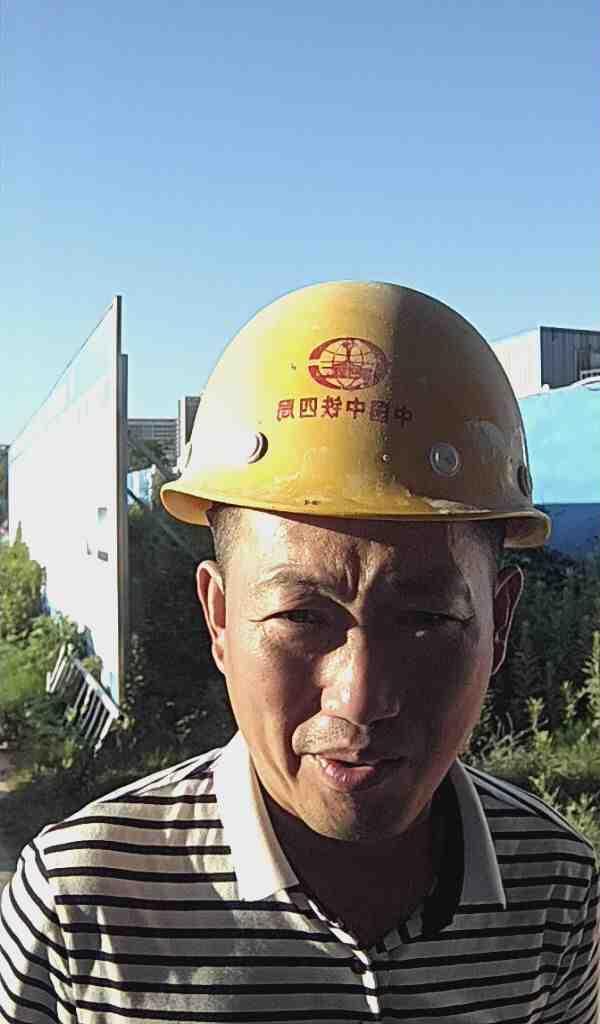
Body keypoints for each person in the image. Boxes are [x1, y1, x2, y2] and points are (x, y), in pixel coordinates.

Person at [1, 281, 597, 1022]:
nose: (362, 698)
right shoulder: (80, 907)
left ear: (499, 622)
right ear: (220, 617)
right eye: (301, 617)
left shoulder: (556, 888)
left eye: (426, 619)